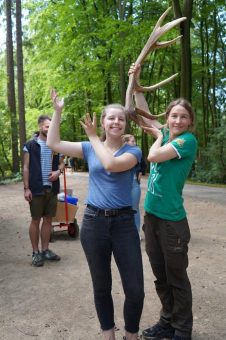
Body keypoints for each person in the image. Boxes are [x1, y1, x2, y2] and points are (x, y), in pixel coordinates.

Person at [47, 89, 144, 340]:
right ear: (103, 122)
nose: (116, 122)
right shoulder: (91, 147)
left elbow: (111, 165)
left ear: (124, 124)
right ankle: (108, 334)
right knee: (102, 287)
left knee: (135, 290)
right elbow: (53, 143)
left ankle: (131, 335)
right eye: (111, 118)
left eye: (120, 119)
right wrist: (58, 112)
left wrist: (92, 137)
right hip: (94, 223)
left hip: (124, 222)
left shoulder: (133, 152)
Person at [129, 64, 197, 340]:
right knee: (161, 276)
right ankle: (167, 322)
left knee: (177, 278)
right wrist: (135, 80)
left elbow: (153, 157)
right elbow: (143, 111)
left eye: (183, 117)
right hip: (152, 219)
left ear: (190, 122)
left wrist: (157, 137)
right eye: (173, 116)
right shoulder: (166, 134)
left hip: (172, 223)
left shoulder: (187, 142)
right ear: (167, 118)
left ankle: (182, 330)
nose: (177, 121)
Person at [23, 115, 65, 267]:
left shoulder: (56, 145)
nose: (50, 129)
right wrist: (26, 188)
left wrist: (57, 173)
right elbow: (26, 167)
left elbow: (61, 165)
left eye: (52, 126)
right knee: (36, 220)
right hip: (36, 188)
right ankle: (36, 253)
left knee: (48, 220)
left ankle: (45, 250)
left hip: (52, 189)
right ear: (40, 126)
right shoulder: (30, 145)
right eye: (47, 126)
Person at [122, 134, 146, 235]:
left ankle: (136, 232)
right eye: (132, 141)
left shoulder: (137, 152)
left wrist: (140, 172)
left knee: (134, 208)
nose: (135, 143)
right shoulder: (120, 153)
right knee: (122, 208)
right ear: (125, 142)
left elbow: (144, 164)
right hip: (122, 185)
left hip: (134, 183)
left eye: (135, 141)